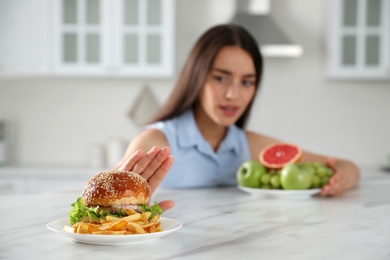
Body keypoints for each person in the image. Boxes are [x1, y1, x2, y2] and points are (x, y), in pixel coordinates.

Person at [114, 24, 360, 211]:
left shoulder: (248, 145)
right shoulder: (154, 142)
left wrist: (343, 179)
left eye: (247, 82)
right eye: (221, 78)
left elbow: (345, 166)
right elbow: (102, 205)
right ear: (197, 78)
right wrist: (119, 208)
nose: (234, 94)